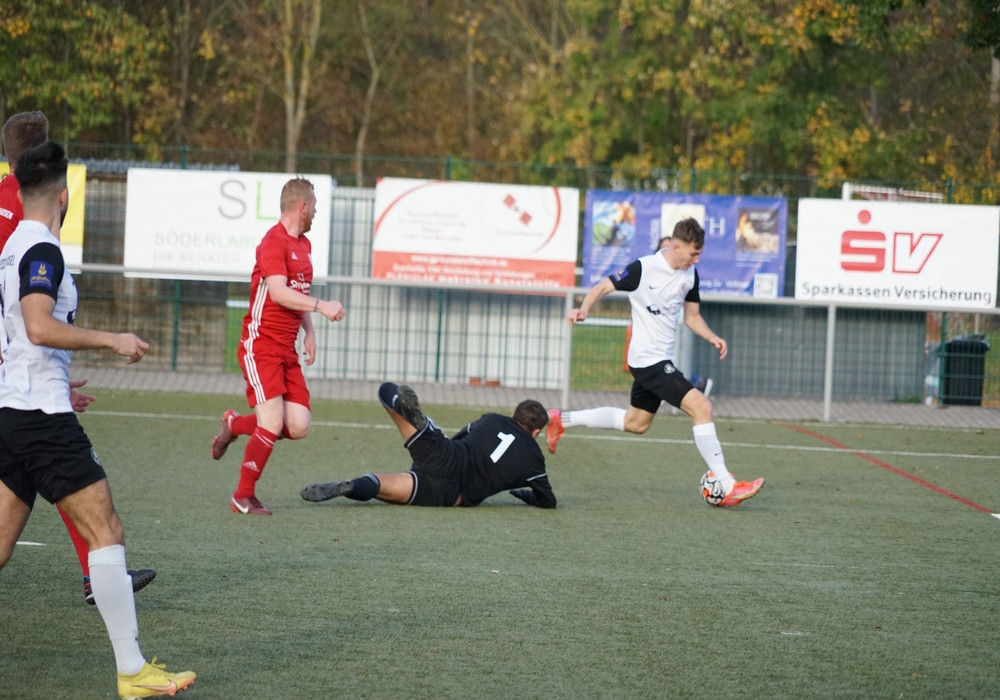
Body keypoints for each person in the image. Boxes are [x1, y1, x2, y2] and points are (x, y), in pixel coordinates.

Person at [0, 141, 195, 697]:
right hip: (41, 418)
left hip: (14, 411)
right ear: (64, 196)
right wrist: (113, 340)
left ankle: (133, 670)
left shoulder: (10, 247)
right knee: (106, 530)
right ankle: (132, 671)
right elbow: (38, 326)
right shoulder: (42, 248)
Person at [1, 110, 156, 605]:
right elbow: (34, 320)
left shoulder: (14, 208)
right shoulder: (31, 220)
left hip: (18, 384)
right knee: (96, 510)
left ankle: (97, 575)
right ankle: (104, 589)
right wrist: (111, 341)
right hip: (27, 394)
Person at [547, 218, 764, 507]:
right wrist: (583, 309)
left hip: (657, 360)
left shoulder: (691, 274)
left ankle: (561, 420)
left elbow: (692, 317)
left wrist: (712, 336)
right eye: (693, 253)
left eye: (699, 254)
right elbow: (602, 287)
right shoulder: (643, 268)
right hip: (648, 361)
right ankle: (727, 485)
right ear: (676, 246)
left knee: (635, 423)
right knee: (702, 406)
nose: (697, 260)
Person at [211, 177, 346, 515]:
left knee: (298, 426)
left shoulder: (305, 245)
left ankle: (234, 424)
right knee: (271, 422)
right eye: (314, 205)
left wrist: (309, 331)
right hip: (261, 345)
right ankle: (243, 496)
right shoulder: (273, 242)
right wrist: (322, 306)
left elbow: (298, 294)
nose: (316, 211)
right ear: (302, 206)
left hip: (287, 349)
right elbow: (279, 292)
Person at [300, 383, 556, 509]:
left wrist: (435, 450)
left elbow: (460, 437)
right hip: (450, 495)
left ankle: (413, 417)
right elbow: (547, 500)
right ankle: (353, 486)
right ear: (536, 432)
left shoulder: (492, 419)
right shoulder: (534, 460)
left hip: (446, 457)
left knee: (387, 390)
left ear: (513, 415)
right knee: (383, 487)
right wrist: (524, 494)